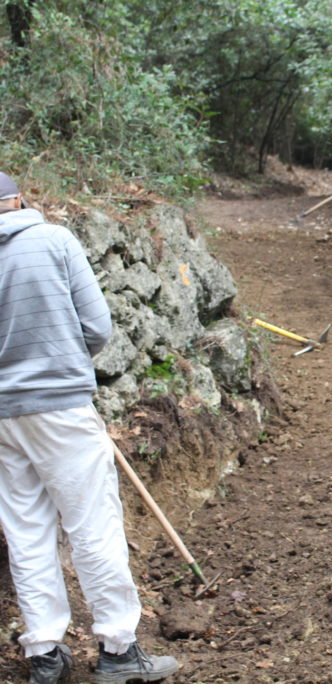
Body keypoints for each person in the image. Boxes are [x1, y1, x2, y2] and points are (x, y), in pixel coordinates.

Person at [0, 172, 179, 683]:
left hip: (2, 416)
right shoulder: (54, 240)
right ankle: (119, 651)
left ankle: (44, 655)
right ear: (20, 200)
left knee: (26, 531)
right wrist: (65, 365)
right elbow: (97, 327)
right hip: (60, 405)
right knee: (92, 525)